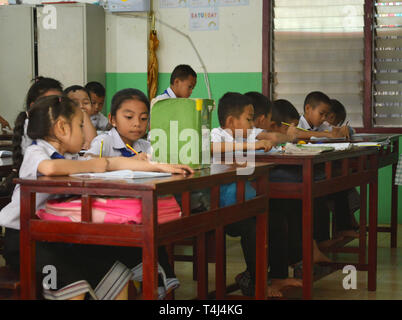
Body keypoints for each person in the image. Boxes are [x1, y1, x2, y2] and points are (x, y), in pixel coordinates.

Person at [0, 95, 193, 299]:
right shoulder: (37, 152)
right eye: (81, 125)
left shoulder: (71, 156)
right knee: (75, 286)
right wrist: (93, 164)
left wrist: (159, 167)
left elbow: (114, 163)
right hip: (25, 240)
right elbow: (50, 168)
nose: (85, 132)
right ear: (62, 128)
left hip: (60, 236)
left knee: (116, 278)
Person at [211, 92, 301, 297]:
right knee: (252, 227)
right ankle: (255, 281)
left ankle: (277, 275)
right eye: (249, 119)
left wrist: (289, 136)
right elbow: (212, 148)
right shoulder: (217, 134)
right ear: (231, 122)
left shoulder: (246, 133)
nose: (252, 125)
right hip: (223, 206)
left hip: (246, 200)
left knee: (276, 219)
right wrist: (252, 145)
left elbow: (272, 136)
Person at [63, 85, 98, 150]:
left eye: (86, 103)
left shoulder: (90, 124)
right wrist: (82, 113)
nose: (81, 106)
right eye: (75, 103)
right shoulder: (65, 126)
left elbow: (94, 145)